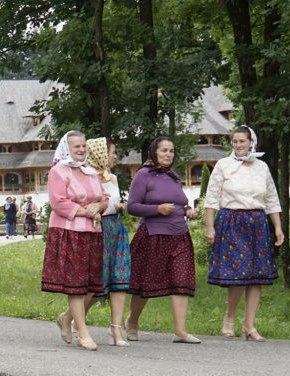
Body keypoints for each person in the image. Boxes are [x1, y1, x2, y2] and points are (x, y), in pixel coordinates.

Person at [204, 126, 284, 342]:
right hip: (232, 220)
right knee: (238, 273)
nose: (238, 145)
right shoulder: (224, 166)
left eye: (242, 141)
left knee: (256, 274)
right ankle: (229, 317)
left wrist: (277, 227)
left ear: (251, 142)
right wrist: (209, 226)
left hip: (257, 223)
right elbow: (211, 198)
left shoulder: (262, 167)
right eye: (235, 141)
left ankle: (249, 325)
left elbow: (271, 199)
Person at [125, 136, 200, 344]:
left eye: (171, 151)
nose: (168, 154)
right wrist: (157, 209)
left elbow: (178, 204)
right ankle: (132, 322)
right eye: (164, 150)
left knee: (182, 281)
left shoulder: (174, 177)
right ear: (154, 152)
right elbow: (132, 206)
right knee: (146, 284)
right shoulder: (143, 174)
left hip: (180, 235)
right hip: (153, 235)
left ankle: (180, 331)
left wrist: (187, 211)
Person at [43, 131, 107, 351]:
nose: (81, 150)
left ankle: (66, 318)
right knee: (76, 285)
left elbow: (102, 199)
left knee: (92, 285)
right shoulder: (58, 171)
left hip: (93, 233)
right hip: (68, 232)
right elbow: (58, 202)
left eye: (83, 146)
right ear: (66, 148)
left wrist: (99, 207)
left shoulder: (91, 171)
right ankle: (84, 332)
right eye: (76, 146)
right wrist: (86, 211)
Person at [74, 137, 132, 347]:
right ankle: (70, 317)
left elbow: (111, 202)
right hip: (97, 231)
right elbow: (87, 205)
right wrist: (105, 207)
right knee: (97, 284)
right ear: (100, 154)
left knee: (120, 280)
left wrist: (118, 207)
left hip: (116, 230)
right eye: (111, 152)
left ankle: (116, 330)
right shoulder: (85, 177)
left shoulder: (112, 178)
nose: (115, 156)